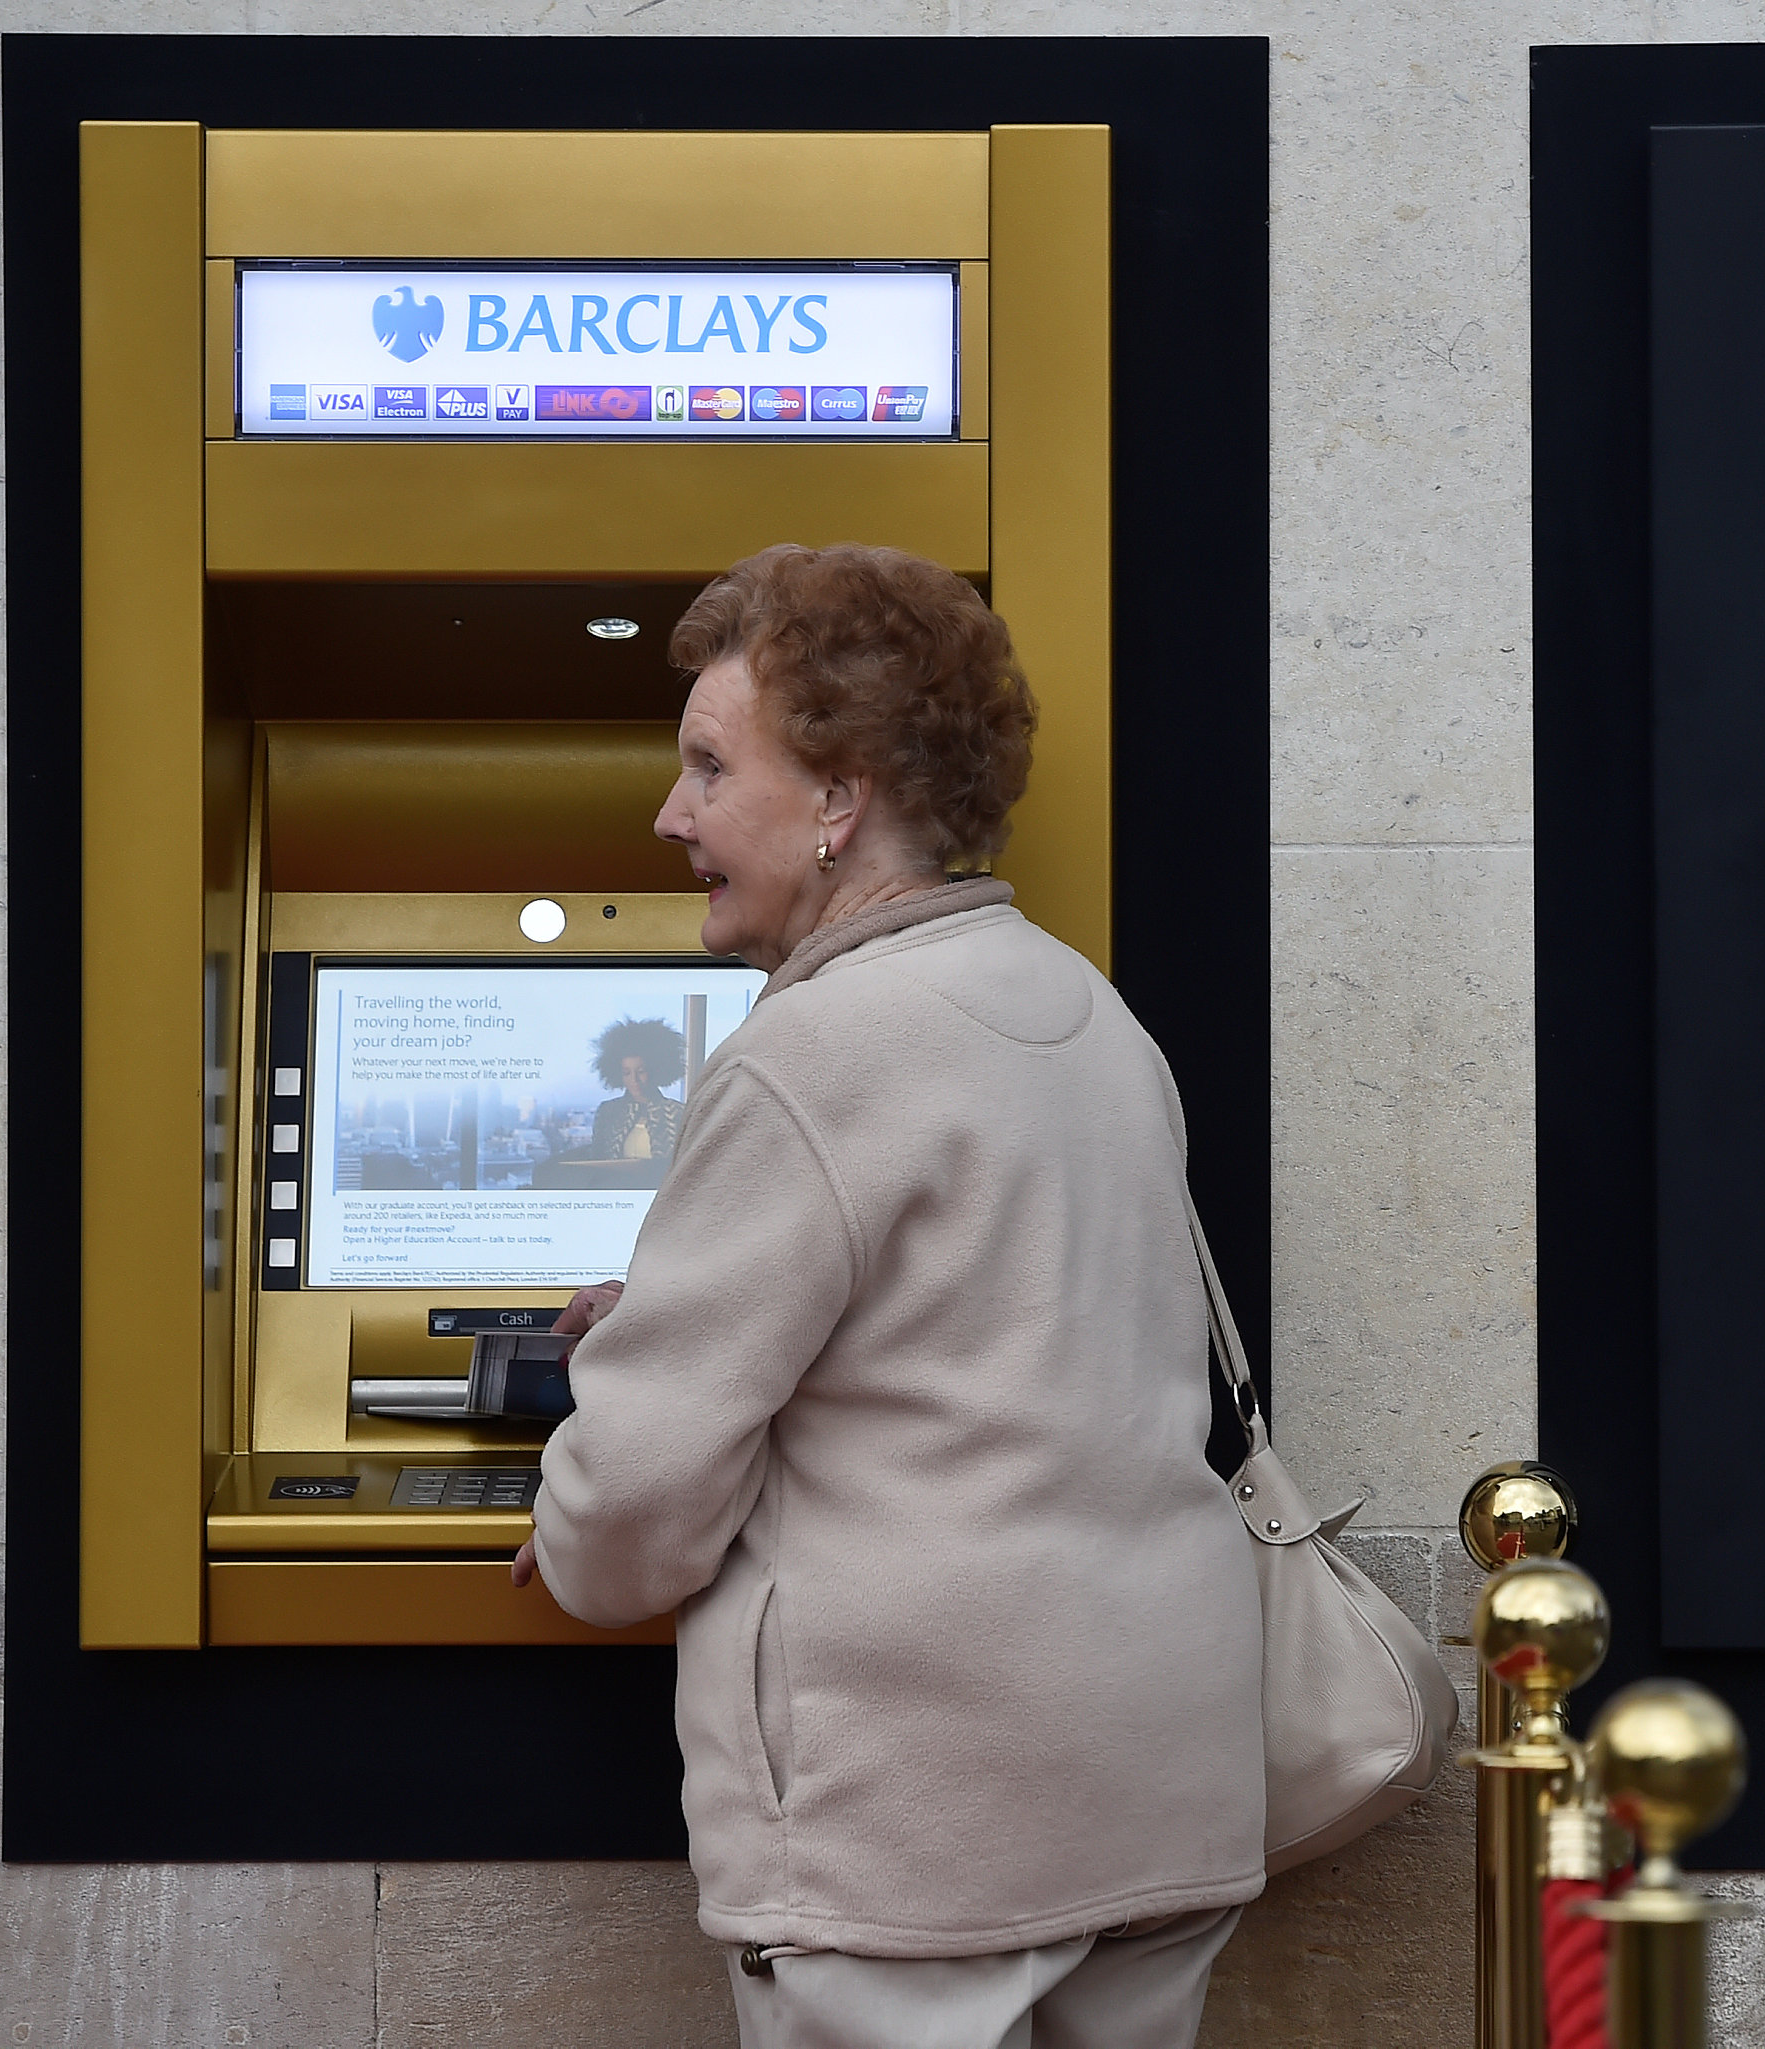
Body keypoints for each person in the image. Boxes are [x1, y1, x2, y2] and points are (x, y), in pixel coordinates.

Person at [512, 542, 1265, 2049]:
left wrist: (570, 1512)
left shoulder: (811, 1054)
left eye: (711, 768)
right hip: (1150, 1785)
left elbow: (631, 1523)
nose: (674, 815)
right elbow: (992, 1342)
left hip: (921, 1833)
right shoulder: (1089, 1012)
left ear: (841, 796)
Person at [582, 1017, 689, 1162]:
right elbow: (596, 1160)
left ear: (656, 1069)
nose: (634, 1079)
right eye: (627, 1073)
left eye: (641, 1071)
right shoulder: (608, 1112)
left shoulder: (678, 1113)